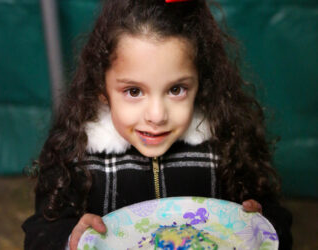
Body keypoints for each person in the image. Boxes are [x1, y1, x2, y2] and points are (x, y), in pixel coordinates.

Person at [22, 0, 292, 249]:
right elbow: (41, 232)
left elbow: (277, 219)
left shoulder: (227, 143)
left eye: (176, 89)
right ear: (101, 88)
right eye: (134, 91)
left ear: (201, 83)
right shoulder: (76, 151)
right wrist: (70, 239)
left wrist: (261, 224)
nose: (156, 115)